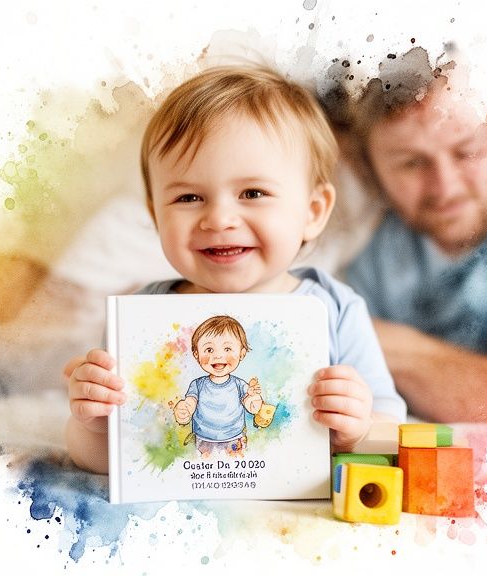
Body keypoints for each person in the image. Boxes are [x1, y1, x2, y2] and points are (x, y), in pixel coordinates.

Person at [63, 65, 407, 474]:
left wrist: (357, 431)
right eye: (189, 198)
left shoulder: (335, 309)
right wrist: (95, 425)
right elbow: (110, 463)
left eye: (253, 193)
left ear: (313, 212)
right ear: (156, 216)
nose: (219, 219)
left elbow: (391, 432)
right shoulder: (141, 316)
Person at [325, 47, 487, 423]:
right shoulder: (371, 254)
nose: (445, 187)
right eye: (411, 163)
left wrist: (386, 344)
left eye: (466, 151)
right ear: (371, 171)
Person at [172, 315, 263, 458]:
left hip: (235, 439)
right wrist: (183, 411)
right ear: (196, 354)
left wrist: (255, 399)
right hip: (204, 440)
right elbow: (190, 403)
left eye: (227, 349)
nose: (218, 356)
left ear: (241, 353)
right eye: (209, 350)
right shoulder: (197, 385)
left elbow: (252, 407)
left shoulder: (239, 385)